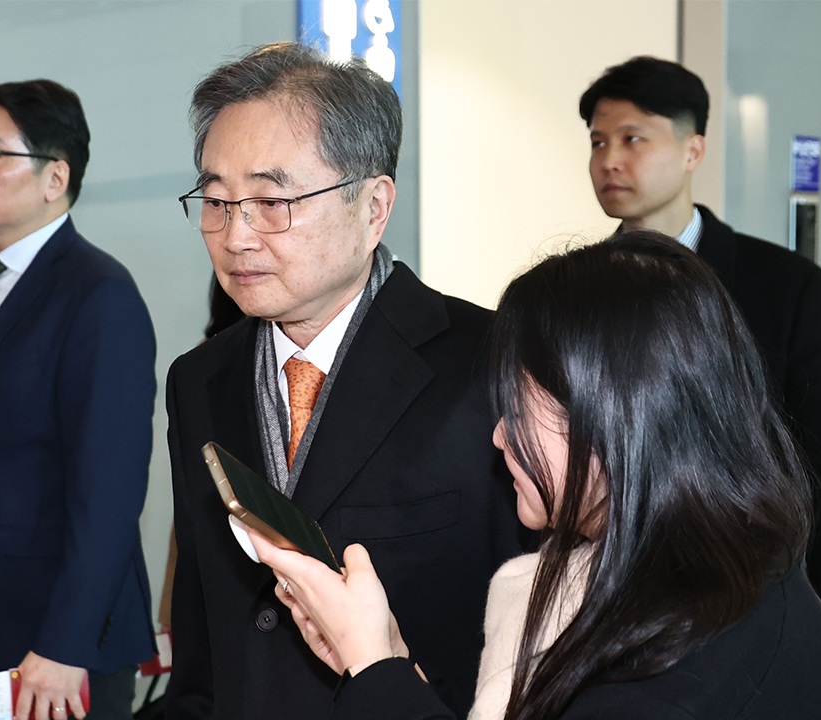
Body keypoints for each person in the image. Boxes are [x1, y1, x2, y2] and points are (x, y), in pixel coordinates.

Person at [252, 232, 821, 720]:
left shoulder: (670, 665)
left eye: (517, 409)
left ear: (611, 417)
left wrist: (373, 669)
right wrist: (387, 656)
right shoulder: (723, 574)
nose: (499, 436)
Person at [164, 42, 522, 720]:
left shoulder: (490, 361)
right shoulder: (198, 379)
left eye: (272, 201)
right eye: (216, 201)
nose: (236, 236)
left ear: (373, 207)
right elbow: (203, 627)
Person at [579, 56, 821, 687]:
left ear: (692, 150)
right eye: (599, 142)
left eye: (633, 139)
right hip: (609, 588)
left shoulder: (785, 285)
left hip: (752, 590)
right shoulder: (574, 291)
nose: (610, 160)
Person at [0, 75, 157, 720]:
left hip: (52, 644)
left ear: (55, 178)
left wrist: (64, 643)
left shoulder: (99, 295)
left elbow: (110, 491)